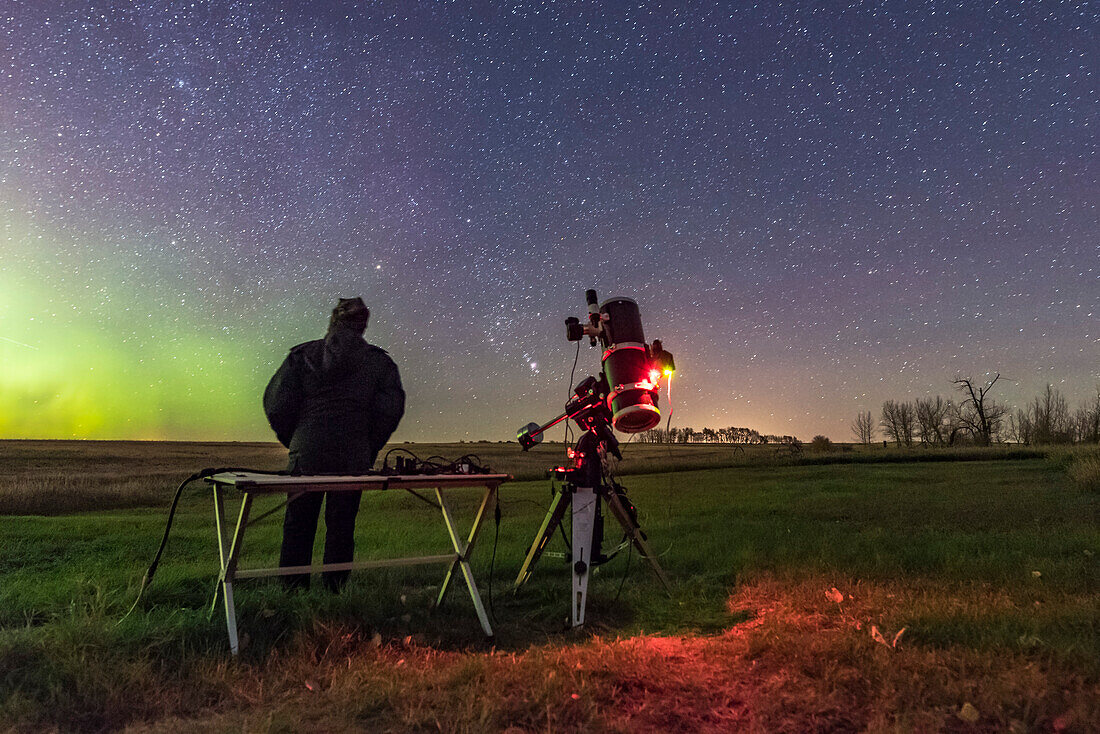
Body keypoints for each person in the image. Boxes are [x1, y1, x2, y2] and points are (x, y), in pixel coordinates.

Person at [263, 297, 405, 591]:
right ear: (363, 325)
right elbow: (388, 412)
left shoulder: (302, 356)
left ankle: (292, 594)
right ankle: (336, 593)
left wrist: (297, 441)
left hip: (306, 457)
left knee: (297, 528)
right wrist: (367, 447)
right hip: (352, 459)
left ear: (333, 321)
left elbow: (276, 404)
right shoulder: (380, 363)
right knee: (341, 529)